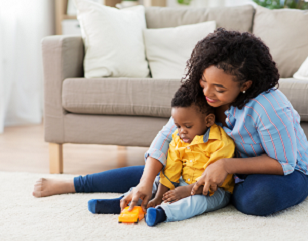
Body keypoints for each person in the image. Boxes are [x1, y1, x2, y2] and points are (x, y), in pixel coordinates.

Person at [33, 28, 308, 217]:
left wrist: (224, 165)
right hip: (223, 167)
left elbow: (283, 163)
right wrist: (145, 182)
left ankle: (221, 191)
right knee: (158, 172)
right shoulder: (201, 95)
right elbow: (166, 137)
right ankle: (72, 184)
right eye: (203, 82)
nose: (207, 94)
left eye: (219, 89)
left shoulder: (269, 106)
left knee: (256, 200)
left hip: (285, 171)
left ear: (245, 85)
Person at [87, 86, 235, 226]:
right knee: (157, 182)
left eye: (187, 126)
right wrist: (159, 196)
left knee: (197, 202)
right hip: (183, 181)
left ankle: (162, 213)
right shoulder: (178, 138)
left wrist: (186, 191)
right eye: (178, 126)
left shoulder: (221, 143)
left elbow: (213, 180)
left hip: (213, 190)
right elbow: (172, 169)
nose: (181, 131)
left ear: (208, 120)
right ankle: (123, 202)